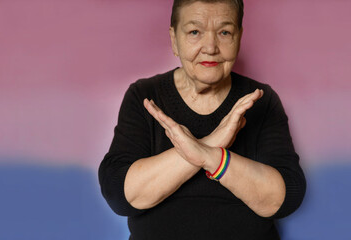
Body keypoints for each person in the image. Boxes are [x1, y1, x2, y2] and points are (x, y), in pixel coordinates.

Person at [98, 0, 306, 239]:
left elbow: (285, 198)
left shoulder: (260, 100)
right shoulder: (145, 96)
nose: (210, 47)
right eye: (194, 32)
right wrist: (213, 140)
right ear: (174, 39)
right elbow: (120, 195)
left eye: (224, 32)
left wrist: (212, 157)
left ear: (239, 37)